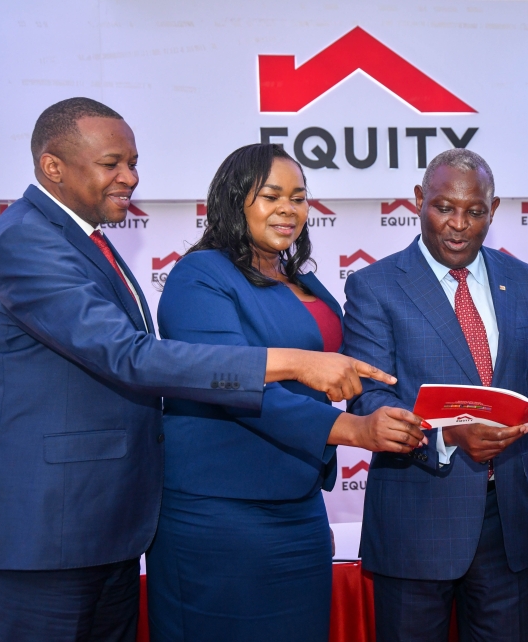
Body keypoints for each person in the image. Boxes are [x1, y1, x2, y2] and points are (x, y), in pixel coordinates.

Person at [0, 98, 396, 642]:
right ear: (53, 166)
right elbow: (131, 357)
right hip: (44, 530)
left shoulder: (86, 241)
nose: (130, 177)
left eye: (133, 162)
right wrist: (295, 364)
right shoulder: (27, 240)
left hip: (105, 526)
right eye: (112, 162)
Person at [146, 144, 425, 641]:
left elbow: (345, 369)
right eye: (271, 195)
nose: (289, 209)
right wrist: (353, 429)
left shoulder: (302, 279)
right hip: (220, 514)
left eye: (298, 197)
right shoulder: (199, 276)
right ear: (235, 202)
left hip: (298, 505)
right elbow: (227, 385)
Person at [342, 149, 528, 642]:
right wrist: (449, 436)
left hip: (509, 526)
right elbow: (368, 402)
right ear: (418, 201)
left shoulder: (525, 282)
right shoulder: (375, 287)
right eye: (443, 208)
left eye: (474, 211)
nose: (458, 224)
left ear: (493, 211)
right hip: (417, 525)